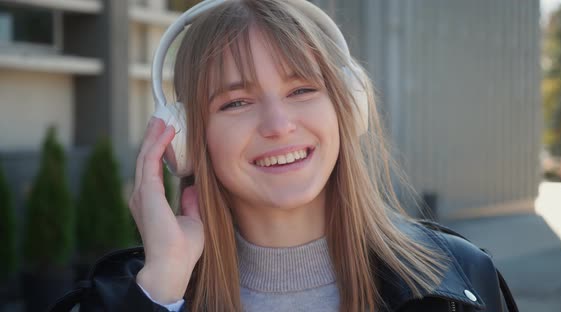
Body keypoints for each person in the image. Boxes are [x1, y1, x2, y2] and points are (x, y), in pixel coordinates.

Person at [50, 0, 518, 311]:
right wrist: (162, 290)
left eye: (301, 89)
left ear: (347, 107)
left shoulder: (459, 278)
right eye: (236, 101)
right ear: (188, 140)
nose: (278, 124)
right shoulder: (132, 295)